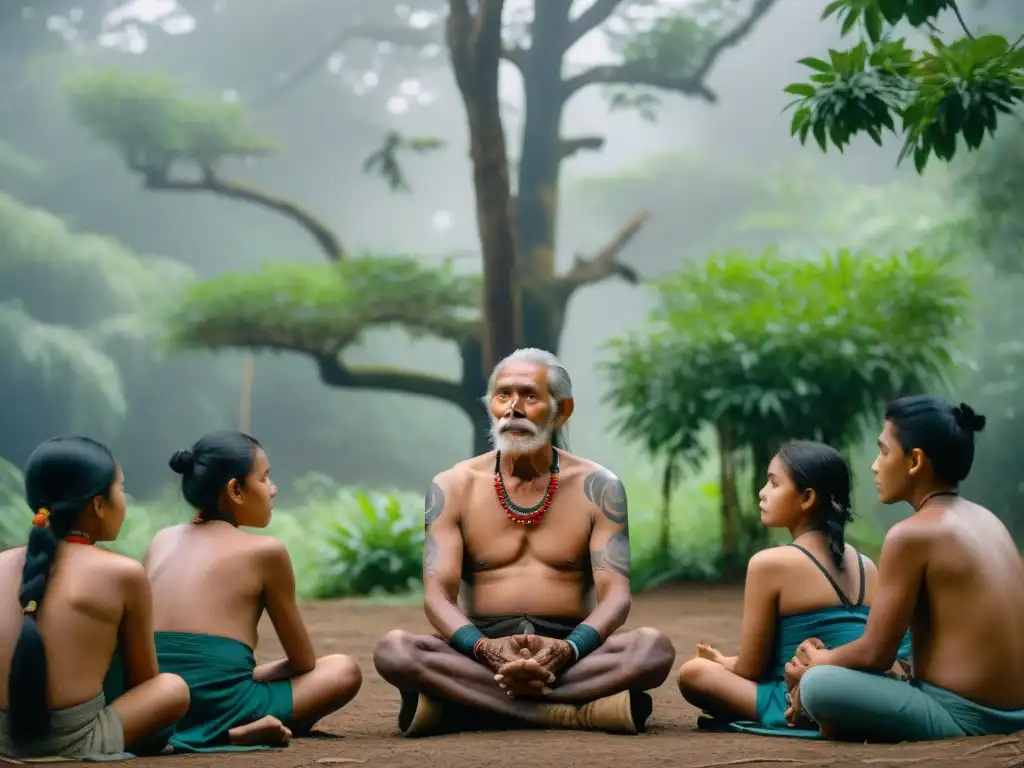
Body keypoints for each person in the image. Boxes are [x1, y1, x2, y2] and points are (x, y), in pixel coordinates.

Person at [373, 348, 676, 738]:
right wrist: (487, 650)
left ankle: (466, 708)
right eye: (503, 395)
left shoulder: (599, 487)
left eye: (530, 396)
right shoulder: (452, 486)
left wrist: (565, 652)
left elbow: (615, 597)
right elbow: (438, 597)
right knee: (395, 651)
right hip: (480, 651)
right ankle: (569, 712)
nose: (513, 409)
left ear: (561, 411)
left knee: (653, 649)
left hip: (571, 651)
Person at [791, 396, 1024, 742]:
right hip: (1016, 711)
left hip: (966, 717)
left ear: (914, 461)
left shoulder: (911, 535)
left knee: (817, 685)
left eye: (884, 451)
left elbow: (876, 653)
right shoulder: (989, 521)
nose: (874, 465)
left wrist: (820, 660)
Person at [142, 431, 362, 751]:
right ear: (236, 490)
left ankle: (200, 731)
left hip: (154, 702)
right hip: (222, 703)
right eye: (265, 477)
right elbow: (302, 662)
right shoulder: (266, 551)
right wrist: (249, 676)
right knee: (343, 670)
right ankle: (232, 729)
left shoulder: (160, 539)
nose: (272, 489)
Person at [676, 441, 912, 739]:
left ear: (807, 498)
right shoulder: (868, 566)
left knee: (694, 673)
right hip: (858, 690)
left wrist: (724, 665)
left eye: (774, 483)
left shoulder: (769, 563)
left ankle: (797, 712)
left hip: (804, 691)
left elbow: (751, 668)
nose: (762, 492)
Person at [0, 437, 189, 760]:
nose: (124, 500)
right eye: (121, 488)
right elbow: (143, 681)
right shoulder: (122, 573)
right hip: (73, 740)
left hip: (3, 737)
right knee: (172, 689)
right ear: (99, 504)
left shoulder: (2, 562)